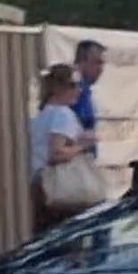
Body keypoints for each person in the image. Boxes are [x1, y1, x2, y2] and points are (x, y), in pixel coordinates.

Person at [30, 63, 98, 228]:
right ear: (57, 88)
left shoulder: (42, 114)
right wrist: (83, 145)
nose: (78, 91)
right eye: (73, 86)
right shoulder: (63, 114)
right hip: (62, 190)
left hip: (40, 184)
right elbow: (56, 154)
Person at [71, 39, 106, 133]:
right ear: (82, 62)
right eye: (96, 63)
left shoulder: (85, 90)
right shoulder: (72, 91)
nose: (101, 69)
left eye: (102, 64)